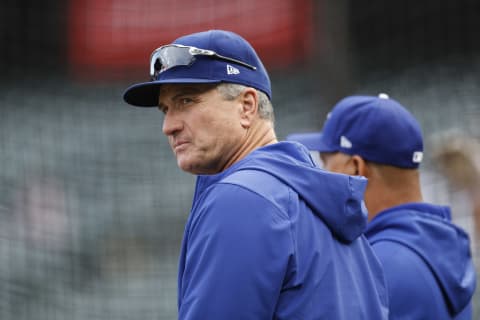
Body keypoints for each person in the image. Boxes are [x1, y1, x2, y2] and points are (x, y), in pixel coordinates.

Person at [122, 30, 388, 319]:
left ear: (246, 106)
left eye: (186, 101)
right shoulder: (313, 197)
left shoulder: (243, 198)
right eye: (165, 110)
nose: (168, 126)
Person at [287, 94, 477, 319]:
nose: (322, 172)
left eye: (326, 161)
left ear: (355, 169)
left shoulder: (381, 265)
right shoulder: (440, 242)